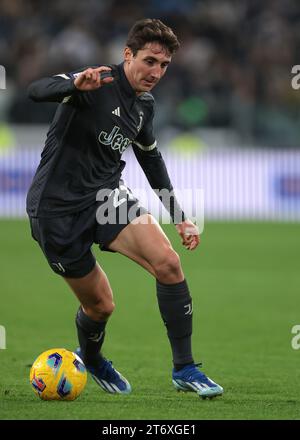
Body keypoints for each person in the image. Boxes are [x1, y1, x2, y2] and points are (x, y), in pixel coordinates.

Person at [27, 18, 223, 399]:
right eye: (150, 61)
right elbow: (37, 90)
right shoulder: (94, 82)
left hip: (105, 199)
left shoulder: (144, 107)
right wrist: (71, 84)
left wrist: (180, 217)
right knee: (101, 307)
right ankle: (94, 358)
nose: (156, 72)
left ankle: (185, 368)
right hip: (55, 210)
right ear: (127, 54)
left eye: (164, 66)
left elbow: (152, 162)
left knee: (168, 264)